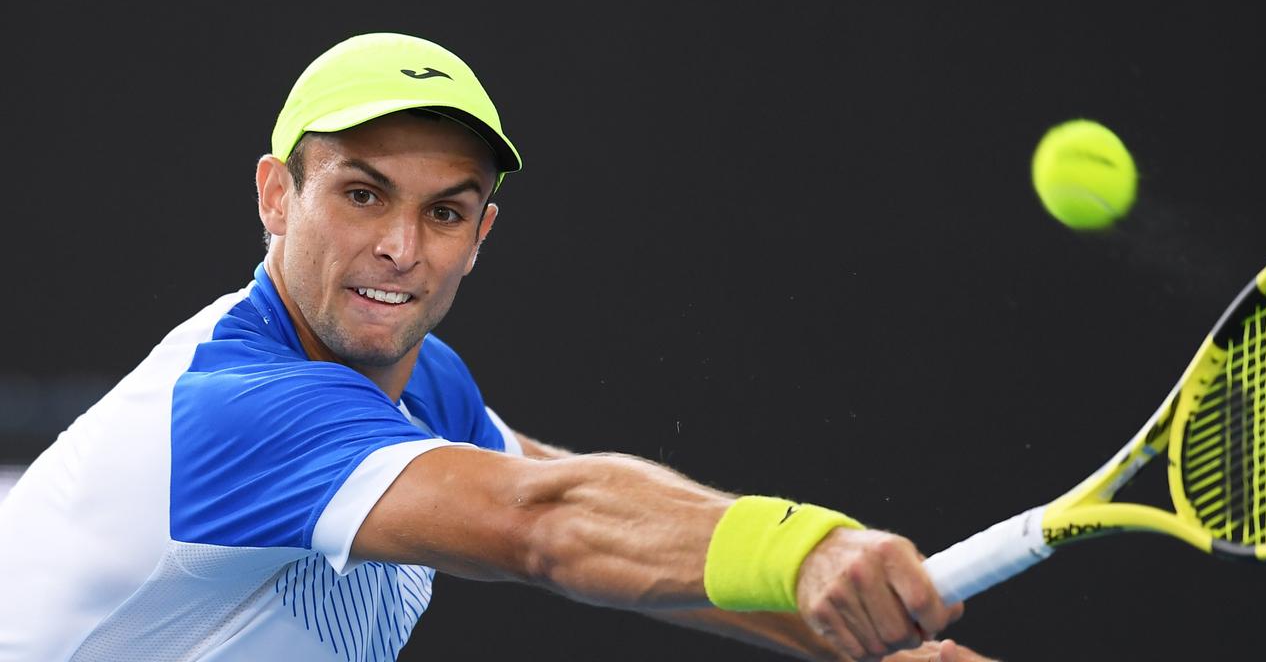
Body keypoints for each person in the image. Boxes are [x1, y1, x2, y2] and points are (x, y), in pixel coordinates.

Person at [0, 33, 993, 662]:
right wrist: (802, 546)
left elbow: (597, 518)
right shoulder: (240, 407)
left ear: (480, 237)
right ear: (275, 196)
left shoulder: (419, 386)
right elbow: (548, 523)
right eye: (361, 193)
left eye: (443, 212)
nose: (398, 246)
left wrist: (854, 642)